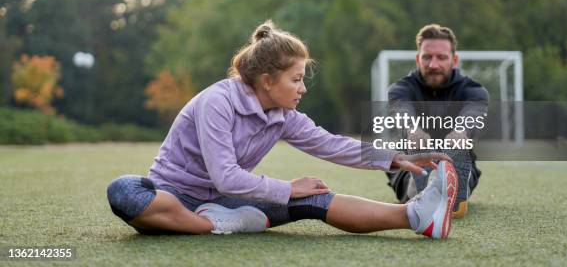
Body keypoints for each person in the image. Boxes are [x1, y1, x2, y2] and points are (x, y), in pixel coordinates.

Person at [107, 20, 458, 239]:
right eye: (296, 79)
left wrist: (395, 158)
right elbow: (226, 176)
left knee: (315, 198)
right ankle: (211, 225)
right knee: (124, 190)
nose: (302, 88)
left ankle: (415, 216)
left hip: (227, 203)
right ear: (267, 81)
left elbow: (331, 144)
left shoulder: (282, 114)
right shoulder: (217, 101)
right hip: (173, 201)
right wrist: (286, 187)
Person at [386, 24, 488, 219]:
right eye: (427, 57)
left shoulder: (474, 90)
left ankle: (455, 182)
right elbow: (401, 110)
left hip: (459, 155)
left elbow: (473, 113)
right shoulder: (400, 89)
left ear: (454, 60)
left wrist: (460, 131)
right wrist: (413, 129)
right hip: (410, 161)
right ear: (418, 59)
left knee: (460, 147)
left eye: (441, 57)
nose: (433, 65)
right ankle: (417, 187)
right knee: (407, 157)